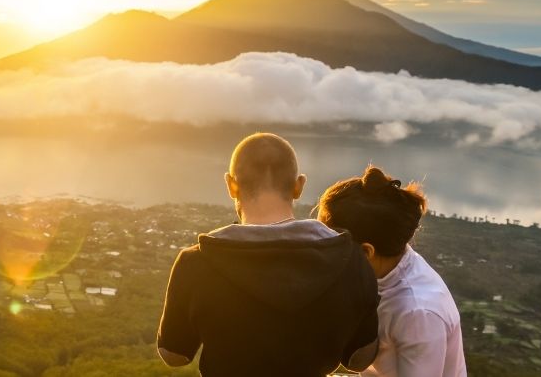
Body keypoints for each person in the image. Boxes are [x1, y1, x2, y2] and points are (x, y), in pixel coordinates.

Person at [157, 133, 380, 376]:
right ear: (299, 186)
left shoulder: (195, 263)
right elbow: (359, 359)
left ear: (231, 185)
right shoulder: (351, 260)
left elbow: (175, 355)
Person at [317, 166, 467, 377]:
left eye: (330, 243)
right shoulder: (385, 265)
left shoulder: (417, 313)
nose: (323, 249)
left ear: (366, 251)